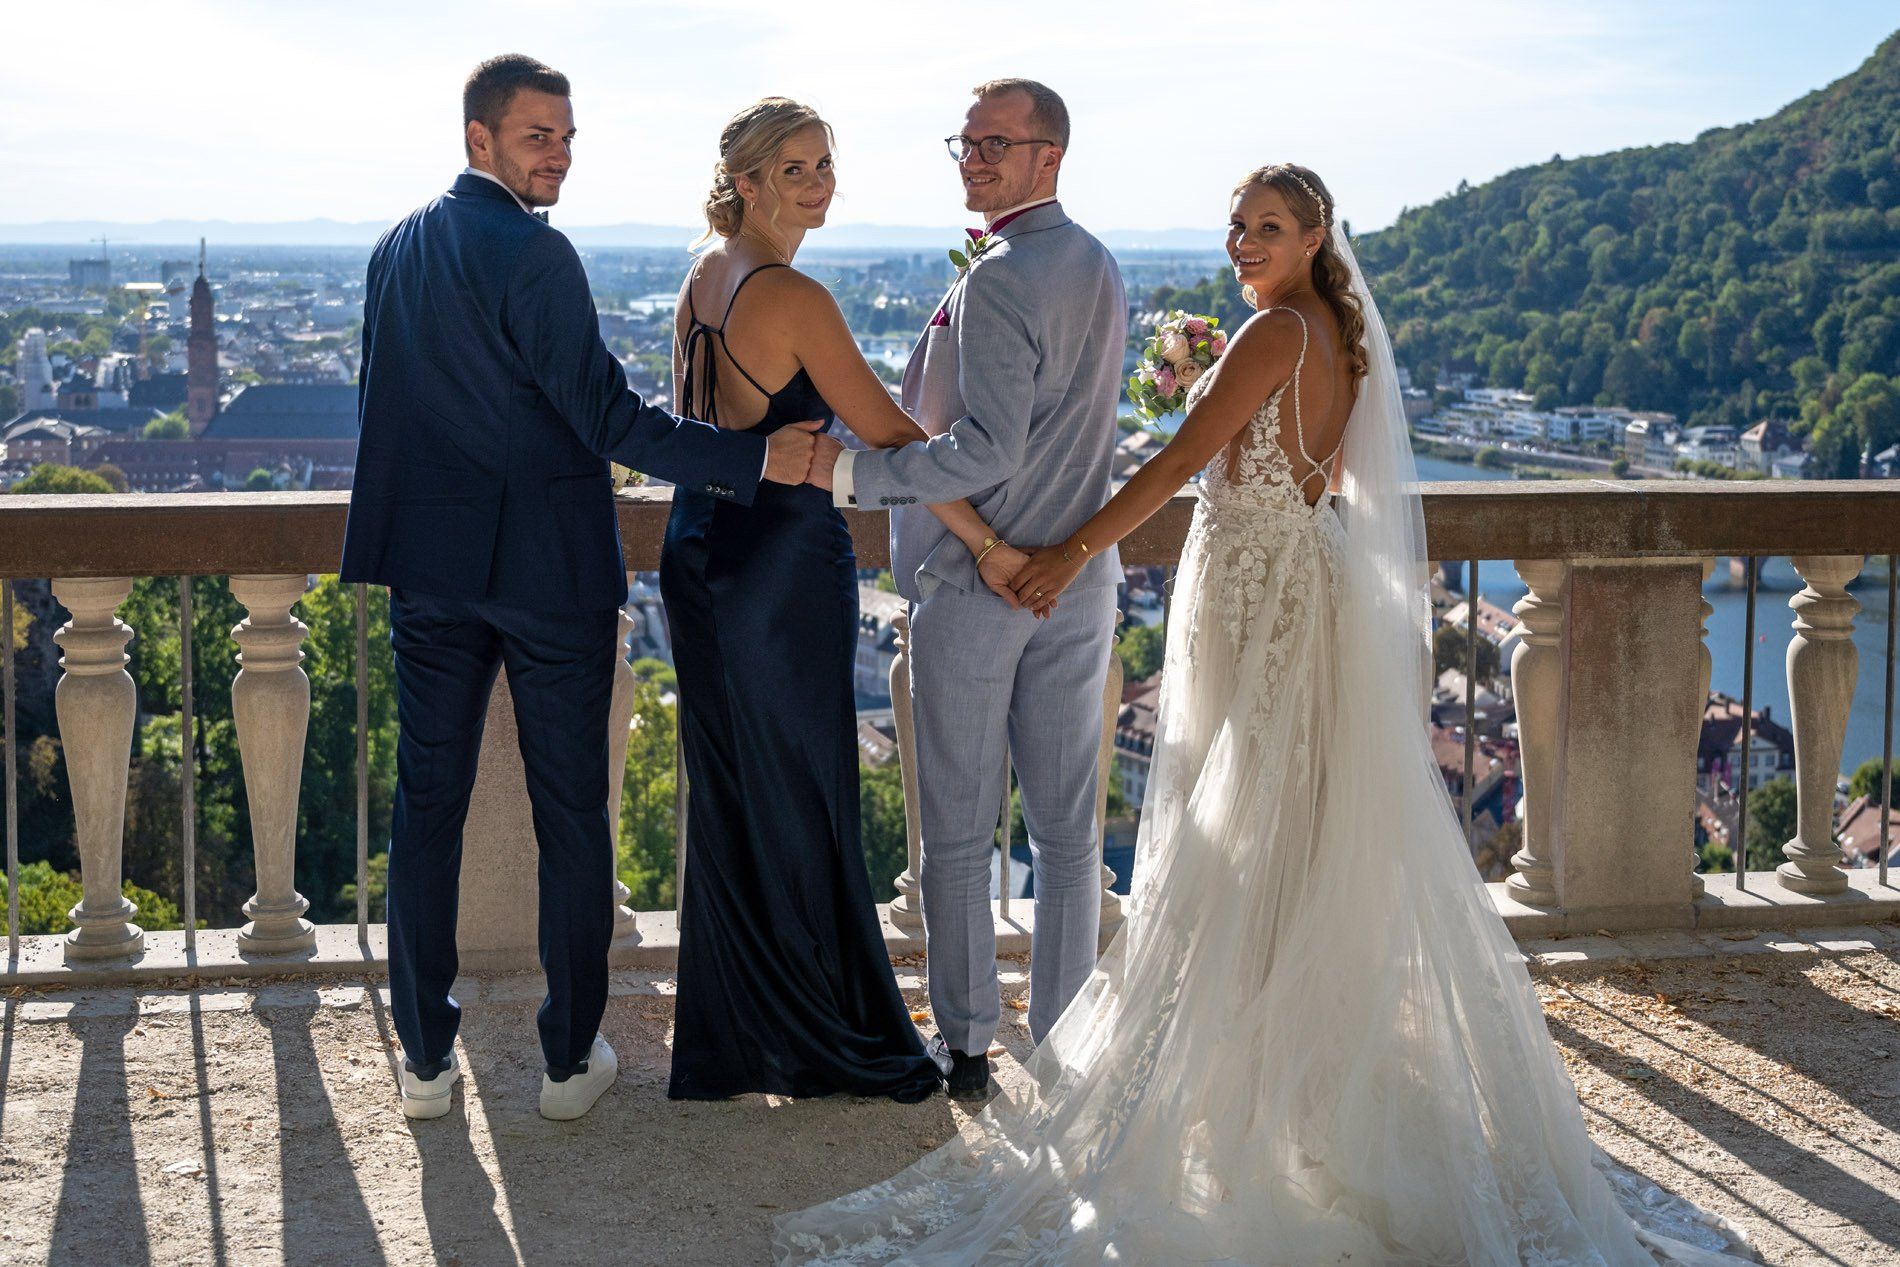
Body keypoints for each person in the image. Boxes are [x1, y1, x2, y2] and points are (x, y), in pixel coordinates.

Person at [774, 165, 1756, 1265]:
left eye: (1268, 228)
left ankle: (1244, 1087)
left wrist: (1067, 552)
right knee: (1291, 829)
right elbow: (1307, 471)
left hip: (1255, 593)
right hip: (1307, 580)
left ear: (1314, 235)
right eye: (1237, 225)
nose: (1243, 242)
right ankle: (1290, 1077)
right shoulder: (1341, 333)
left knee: (1241, 827)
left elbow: (1180, 462)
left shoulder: (1273, 333)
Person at [339, 54, 823, 1124]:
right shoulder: (537, 252)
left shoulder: (395, 247)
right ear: (479, 139)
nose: (557, 155)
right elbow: (608, 419)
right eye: (535, 136)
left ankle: (423, 1060)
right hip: (547, 574)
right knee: (570, 811)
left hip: (429, 572)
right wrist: (753, 458)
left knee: (426, 808)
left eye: (565, 136)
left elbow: (387, 406)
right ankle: (566, 1063)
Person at [663, 97, 1013, 1103]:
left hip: (699, 547)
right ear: (747, 181)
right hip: (777, 561)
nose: (820, 183)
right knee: (805, 783)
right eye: (796, 168)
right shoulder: (792, 295)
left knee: (735, 787)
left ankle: (741, 1035)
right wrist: (986, 541)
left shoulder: (702, 273)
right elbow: (893, 436)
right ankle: (826, 1031)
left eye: (824, 164)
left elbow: (694, 420)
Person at [813, 78, 1128, 1101]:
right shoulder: (1098, 262)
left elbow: (984, 448)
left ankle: (967, 1044)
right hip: (1074, 580)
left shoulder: (999, 276)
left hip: (980, 584)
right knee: (1067, 833)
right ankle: (1065, 1034)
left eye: (997, 143)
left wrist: (853, 474)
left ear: (1050, 156)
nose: (975, 159)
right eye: (968, 141)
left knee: (955, 830)